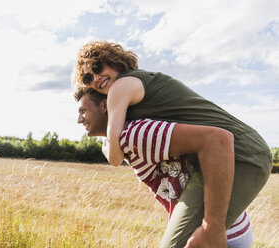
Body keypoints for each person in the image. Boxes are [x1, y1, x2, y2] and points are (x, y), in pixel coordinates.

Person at [73, 41, 272, 248]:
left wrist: (212, 226)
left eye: (97, 68)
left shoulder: (121, 87)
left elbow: (114, 157)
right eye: (88, 77)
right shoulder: (138, 93)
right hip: (234, 150)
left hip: (240, 150)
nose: (95, 78)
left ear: (114, 61)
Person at [75, 89, 253, 247]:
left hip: (217, 233)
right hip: (221, 227)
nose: (79, 119)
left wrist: (211, 225)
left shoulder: (134, 134)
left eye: (83, 110)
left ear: (105, 105)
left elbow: (218, 139)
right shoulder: (118, 141)